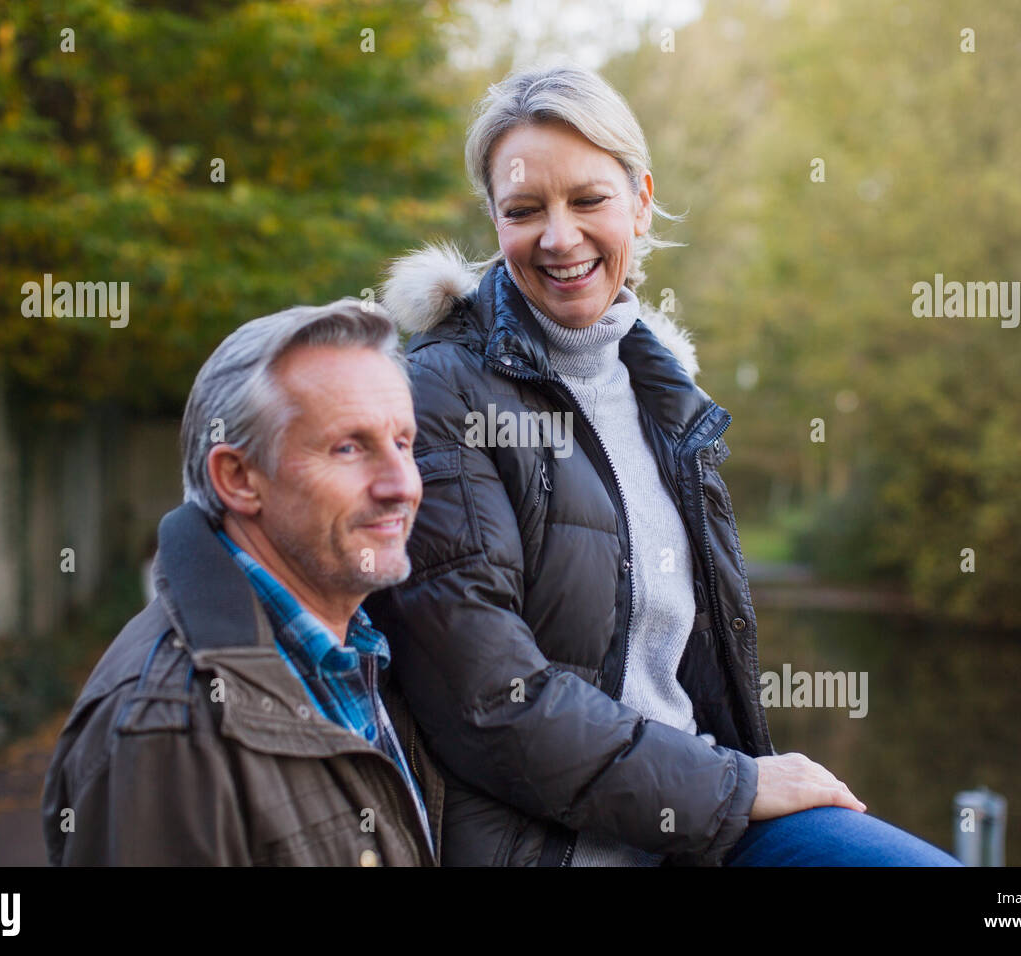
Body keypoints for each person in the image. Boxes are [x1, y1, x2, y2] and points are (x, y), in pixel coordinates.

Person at [367, 61, 960, 866]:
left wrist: (735, 789)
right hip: (553, 846)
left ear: (641, 201)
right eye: (524, 210)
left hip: (700, 823)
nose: (558, 237)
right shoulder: (441, 393)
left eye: (588, 199)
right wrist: (736, 788)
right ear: (495, 221)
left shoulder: (663, 390)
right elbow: (492, 703)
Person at [42, 299, 441, 866]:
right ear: (238, 478)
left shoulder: (365, 648)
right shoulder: (165, 730)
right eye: (349, 447)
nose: (401, 484)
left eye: (403, 443)